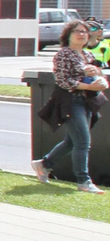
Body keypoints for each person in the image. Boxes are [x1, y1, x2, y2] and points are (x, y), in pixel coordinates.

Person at [32, 18, 108, 194]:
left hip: (87, 101)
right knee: (83, 141)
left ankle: (44, 164)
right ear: (68, 35)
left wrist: (99, 76)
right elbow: (63, 81)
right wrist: (89, 87)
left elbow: (98, 75)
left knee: (72, 142)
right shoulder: (64, 54)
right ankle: (84, 181)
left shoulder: (87, 55)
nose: (82, 34)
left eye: (84, 32)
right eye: (77, 31)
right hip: (70, 102)